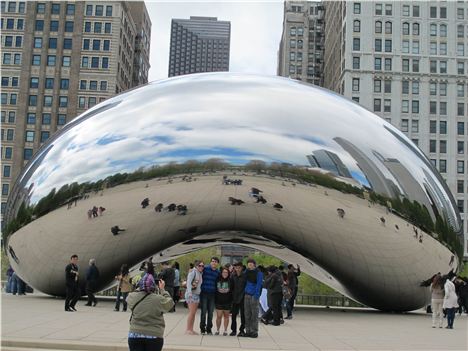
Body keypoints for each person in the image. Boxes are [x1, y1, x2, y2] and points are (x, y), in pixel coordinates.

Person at [127, 277, 174, 351]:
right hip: (154, 335)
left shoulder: (131, 297)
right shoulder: (158, 299)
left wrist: (140, 286)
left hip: (135, 334)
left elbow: (133, 294)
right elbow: (170, 303)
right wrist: (162, 289)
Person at [242, 258, 263, 338]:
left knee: (254, 314)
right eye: (248, 264)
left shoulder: (259, 273)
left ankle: (254, 331)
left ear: (254, 264)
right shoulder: (246, 272)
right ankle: (248, 331)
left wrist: (256, 295)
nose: (249, 265)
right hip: (247, 294)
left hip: (254, 295)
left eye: (251, 263)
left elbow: (259, 284)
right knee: (247, 314)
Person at [199, 256, 220, 335]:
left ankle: (209, 329)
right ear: (210, 262)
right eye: (213, 261)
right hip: (204, 293)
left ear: (217, 263)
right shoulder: (205, 269)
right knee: (203, 312)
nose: (214, 263)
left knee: (211, 312)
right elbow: (197, 271)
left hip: (212, 294)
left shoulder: (218, 272)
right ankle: (202, 328)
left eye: (215, 262)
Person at [185, 260, 204, 335]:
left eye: (202, 266)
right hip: (191, 294)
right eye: (200, 265)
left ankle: (191, 329)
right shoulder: (193, 272)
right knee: (191, 312)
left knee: (193, 313)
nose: (201, 267)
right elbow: (188, 283)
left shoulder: (200, 273)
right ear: (196, 266)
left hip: (196, 294)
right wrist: (189, 293)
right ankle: (188, 329)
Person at [215, 267, 233, 336]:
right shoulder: (217, 279)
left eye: (226, 272)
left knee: (226, 316)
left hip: (227, 301)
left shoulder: (230, 280)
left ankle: (225, 330)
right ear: (221, 273)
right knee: (219, 316)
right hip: (219, 301)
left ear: (228, 273)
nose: (225, 274)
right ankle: (217, 330)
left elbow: (232, 290)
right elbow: (215, 289)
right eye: (223, 272)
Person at [230, 261, 246, 336]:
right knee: (233, 315)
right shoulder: (232, 276)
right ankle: (233, 330)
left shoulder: (245, 276)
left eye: (239, 268)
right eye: (236, 268)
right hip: (234, 298)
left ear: (242, 268)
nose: (237, 269)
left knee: (243, 315)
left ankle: (242, 330)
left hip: (243, 298)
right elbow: (231, 287)